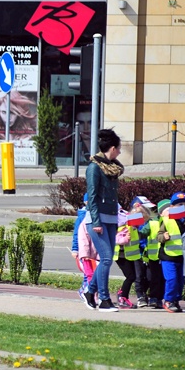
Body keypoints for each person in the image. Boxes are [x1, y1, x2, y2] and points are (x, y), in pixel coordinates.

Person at [82, 128, 123, 312]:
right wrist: (96, 222)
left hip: (111, 218)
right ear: (112, 148)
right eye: (119, 149)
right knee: (106, 258)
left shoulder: (113, 168)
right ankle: (104, 299)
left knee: (107, 259)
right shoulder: (94, 168)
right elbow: (91, 197)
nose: (120, 152)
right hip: (96, 220)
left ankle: (90, 292)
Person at [158, 191, 185, 313]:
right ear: (172, 207)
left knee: (180, 280)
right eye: (179, 204)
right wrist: (164, 236)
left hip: (183, 256)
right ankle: (168, 300)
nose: (183, 207)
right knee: (171, 278)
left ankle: (176, 300)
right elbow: (158, 236)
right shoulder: (167, 220)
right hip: (168, 256)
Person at [113, 203, 143, 309]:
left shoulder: (133, 225)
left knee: (132, 276)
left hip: (129, 255)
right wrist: (125, 239)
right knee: (131, 276)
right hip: (121, 254)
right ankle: (122, 297)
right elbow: (116, 238)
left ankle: (122, 295)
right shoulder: (124, 224)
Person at [144, 200, 168, 309]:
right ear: (161, 212)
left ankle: (160, 298)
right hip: (154, 256)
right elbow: (143, 232)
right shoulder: (152, 222)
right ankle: (153, 297)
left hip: (167, 255)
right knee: (154, 278)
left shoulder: (173, 222)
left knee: (163, 278)